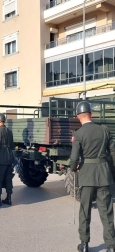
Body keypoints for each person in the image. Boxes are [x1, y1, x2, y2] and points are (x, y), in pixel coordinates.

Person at [70, 101, 115, 252]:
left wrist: (73, 168)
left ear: (78, 116)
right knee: (106, 211)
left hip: (86, 175)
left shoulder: (78, 134)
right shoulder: (105, 131)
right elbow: (113, 153)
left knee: (85, 210)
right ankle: (110, 245)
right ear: (91, 114)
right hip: (103, 174)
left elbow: (74, 158)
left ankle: (84, 244)